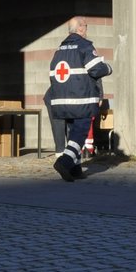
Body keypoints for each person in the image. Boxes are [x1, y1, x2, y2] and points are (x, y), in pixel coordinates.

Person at [46, 17, 112, 181]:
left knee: (72, 132)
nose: (87, 30)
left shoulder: (59, 49)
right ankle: (65, 161)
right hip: (80, 99)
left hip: (62, 100)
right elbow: (96, 69)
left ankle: (75, 169)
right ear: (80, 29)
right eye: (86, 26)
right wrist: (108, 68)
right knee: (80, 131)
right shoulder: (84, 46)